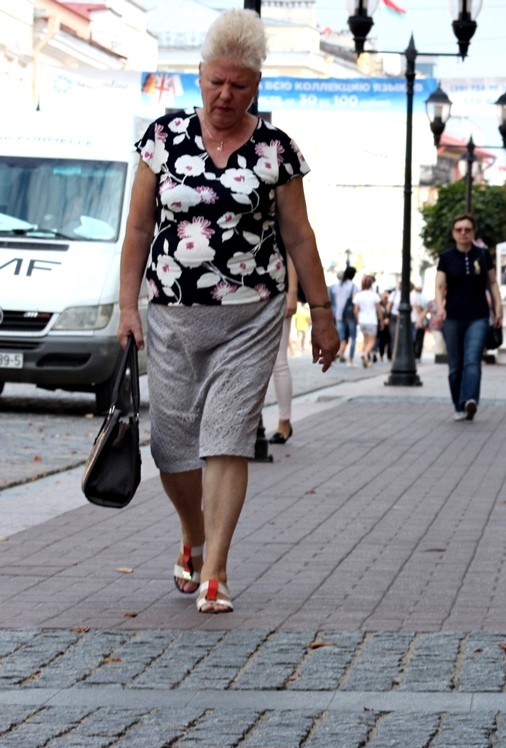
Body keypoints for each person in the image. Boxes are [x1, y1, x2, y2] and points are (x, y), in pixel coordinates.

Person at [114, 9, 339, 615]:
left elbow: (299, 237)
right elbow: (138, 228)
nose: (225, 95)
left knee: (228, 438)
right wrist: (127, 306)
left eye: (239, 85)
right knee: (172, 445)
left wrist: (321, 312)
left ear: (257, 87)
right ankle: (192, 533)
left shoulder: (275, 151)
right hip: (170, 314)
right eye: (216, 82)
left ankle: (215, 569)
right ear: (199, 77)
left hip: (251, 313)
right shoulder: (162, 139)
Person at [434, 213, 502, 421]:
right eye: (459, 230)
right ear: (453, 233)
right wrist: (440, 308)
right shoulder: (446, 258)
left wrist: (498, 307)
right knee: (455, 366)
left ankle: (470, 400)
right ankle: (459, 405)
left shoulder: (482, 255)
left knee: (472, 360)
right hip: (453, 317)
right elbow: (439, 286)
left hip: (478, 317)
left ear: (473, 232)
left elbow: (492, 283)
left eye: (467, 229)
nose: (463, 233)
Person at [269, 259, 299, 444]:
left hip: (276, 288)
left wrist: (292, 291)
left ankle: (284, 421)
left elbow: (292, 246)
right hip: (238, 292)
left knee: (278, 362)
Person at [329, 266, 357, 363]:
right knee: (353, 337)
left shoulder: (336, 286)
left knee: (341, 336)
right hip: (350, 314)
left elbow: (333, 301)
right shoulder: (353, 286)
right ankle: (351, 358)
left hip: (338, 314)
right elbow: (355, 301)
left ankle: (338, 352)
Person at [353, 274, 381, 367]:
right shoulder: (374, 295)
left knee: (366, 340)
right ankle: (365, 354)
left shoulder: (358, 295)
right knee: (372, 341)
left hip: (362, 320)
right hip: (372, 320)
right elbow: (379, 309)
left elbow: (356, 310)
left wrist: (357, 318)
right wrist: (381, 320)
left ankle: (366, 359)